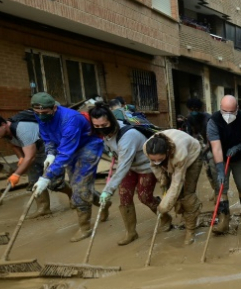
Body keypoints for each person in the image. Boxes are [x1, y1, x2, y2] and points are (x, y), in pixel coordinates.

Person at [30, 92, 106, 242]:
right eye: (37, 113)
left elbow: (65, 154)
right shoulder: (41, 116)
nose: (40, 116)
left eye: (44, 113)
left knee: (79, 188)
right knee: (78, 186)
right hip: (67, 147)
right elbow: (47, 137)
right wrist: (51, 154)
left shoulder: (70, 120)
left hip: (87, 147)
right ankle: (104, 203)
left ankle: (85, 227)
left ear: (54, 108)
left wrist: (46, 178)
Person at [89, 104, 161, 246]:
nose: (101, 128)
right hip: (129, 165)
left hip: (145, 166)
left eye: (104, 125)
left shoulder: (128, 136)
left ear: (111, 121)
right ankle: (131, 232)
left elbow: (123, 167)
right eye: (96, 126)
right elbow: (118, 157)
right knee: (124, 196)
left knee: (144, 196)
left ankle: (164, 217)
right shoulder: (106, 134)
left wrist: (107, 190)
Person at [0, 113, 70, 219]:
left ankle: (72, 195)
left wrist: (16, 174)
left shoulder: (23, 129)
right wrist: (21, 157)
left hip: (48, 150)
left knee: (54, 183)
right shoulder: (4, 132)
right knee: (34, 181)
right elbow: (14, 144)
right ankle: (43, 208)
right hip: (32, 151)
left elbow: (30, 157)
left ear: (3, 124)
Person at [143, 130, 202, 245]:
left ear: (167, 151)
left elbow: (177, 182)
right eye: (153, 159)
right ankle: (186, 215)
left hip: (192, 156)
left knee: (187, 195)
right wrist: (162, 179)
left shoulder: (180, 155)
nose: (156, 162)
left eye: (159, 159)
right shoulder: (147, 147)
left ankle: (190, 229)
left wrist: (164, 206)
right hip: (171, 157)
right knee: (171, 191)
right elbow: (154, 166)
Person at [207, 95, 241, 234]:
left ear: (237, 109)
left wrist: (239, 147)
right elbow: (216, 147)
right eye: (224, 111)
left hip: (239, 156)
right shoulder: (213, 121)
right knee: (221, 187)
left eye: (231, 112)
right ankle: (224, 220)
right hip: (220, 156)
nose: (227, 115)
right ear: (220, 108)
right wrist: (220, 169)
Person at [183, 97, 217, 194]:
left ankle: (218, 192)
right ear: (189, 109)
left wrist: (204, 150)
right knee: (204, 171)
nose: (194, 111)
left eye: (196, 109)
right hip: (198, 145)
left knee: (212, 170)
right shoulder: (189, 119)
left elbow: (212, 138)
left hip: (211, 146)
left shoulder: (208, 119)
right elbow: (188, 135)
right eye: (191, 109)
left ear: (200, 109)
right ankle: (214, 189)